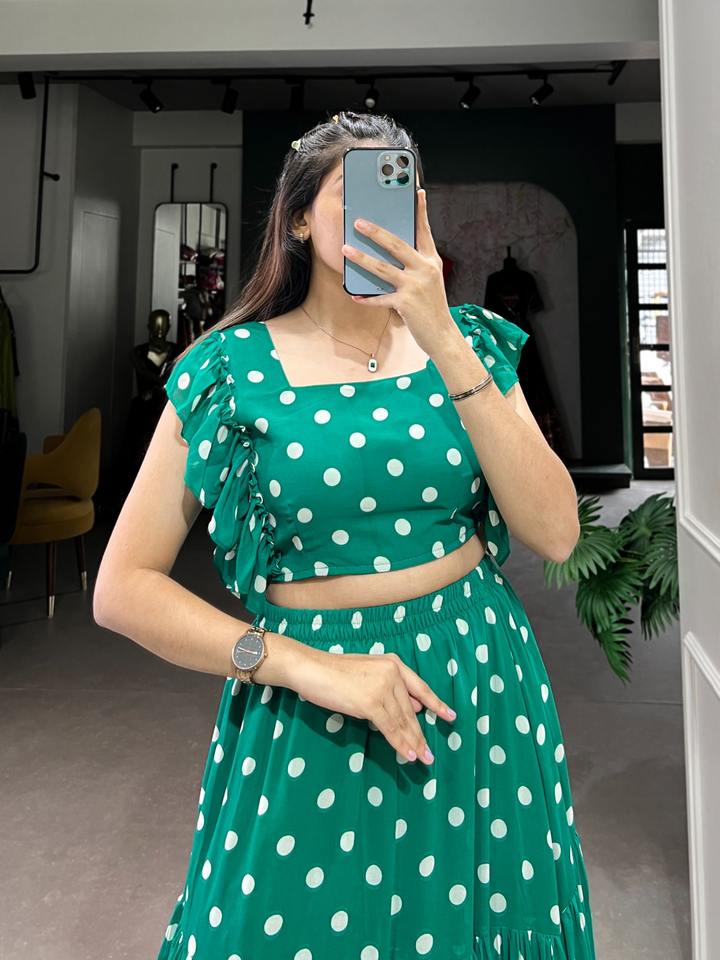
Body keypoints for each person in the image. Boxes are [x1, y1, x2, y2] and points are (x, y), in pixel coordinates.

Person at [94, 110, 597, 960]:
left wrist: (441, 335)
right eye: (352, 192)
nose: (377, 214)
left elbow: (554, 533)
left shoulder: (469, 345)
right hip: (309, 701)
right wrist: (301, 666)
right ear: (297, 218)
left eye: (399, 192)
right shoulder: (226, 371)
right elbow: (122, 589)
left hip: (477, 681)